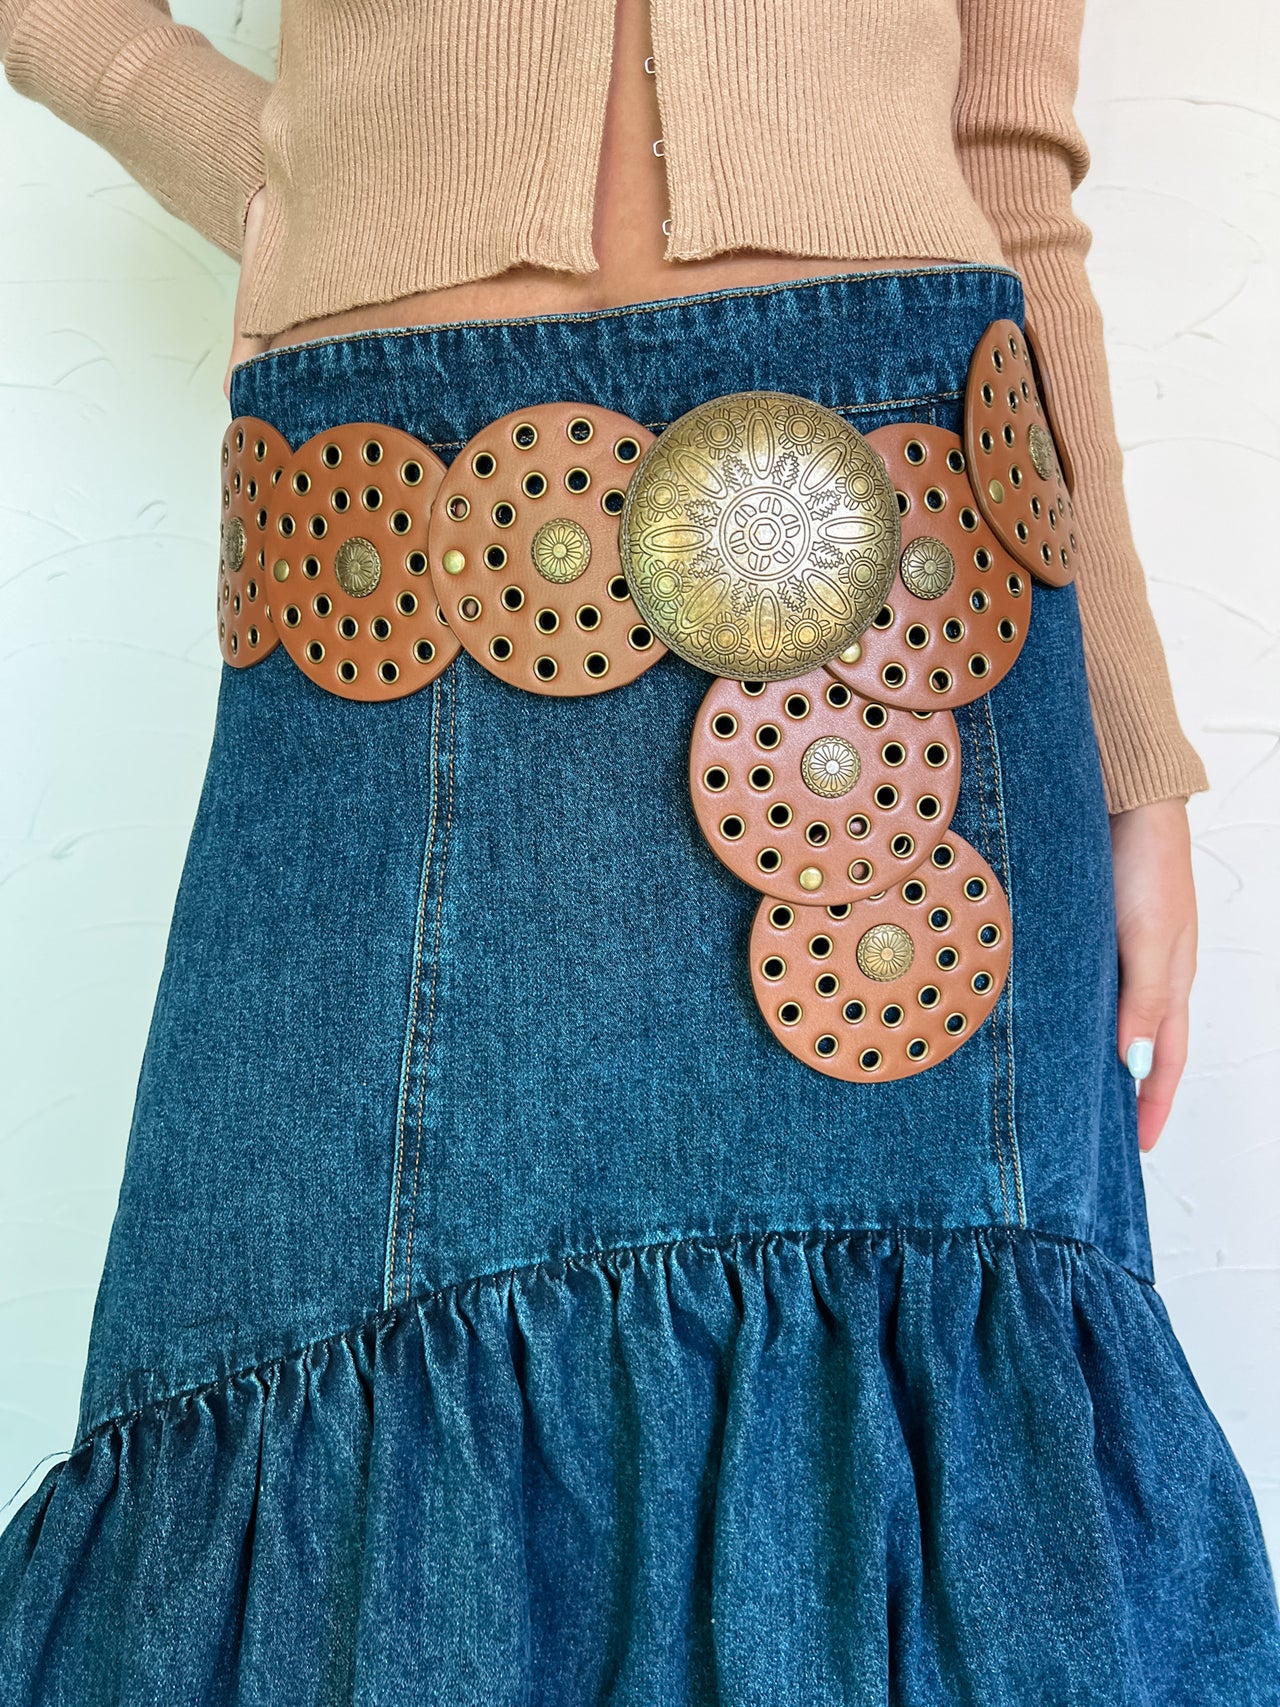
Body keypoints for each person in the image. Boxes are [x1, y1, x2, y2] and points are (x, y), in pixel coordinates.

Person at [1, 0, 1276, 1700]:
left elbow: (1009, 169)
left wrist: (1134, 759)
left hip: (910, 562)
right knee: (278, 1365)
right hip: (390, 534)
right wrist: (303, 185)